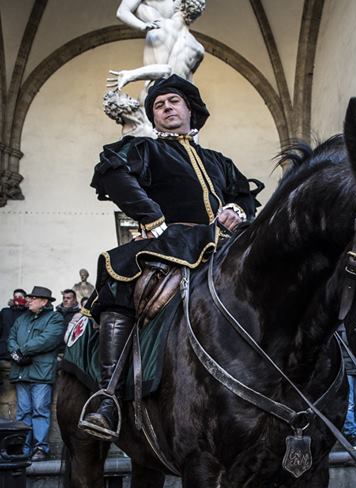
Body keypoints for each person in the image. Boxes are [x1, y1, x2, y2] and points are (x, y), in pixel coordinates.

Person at [79, 73, 260, 440]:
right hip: (170, 240)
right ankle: (108, 396)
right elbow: (114, 174)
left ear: (190, 109)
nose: (165, 108)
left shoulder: (219, 160)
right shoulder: (147, 150)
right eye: (158, 106)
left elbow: (245, 195)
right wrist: (150, 215)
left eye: (172, 102)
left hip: (225, 244)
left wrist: (238, 211)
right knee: (119, 274)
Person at [7, 286, 65, 460]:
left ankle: (40, 448)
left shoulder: (55, 318)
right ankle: (23, 449)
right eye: (29, 298)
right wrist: (15, 353)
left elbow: (48, 339)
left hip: (41, 373)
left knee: (40, 410)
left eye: (33, 298)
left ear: (44, 301)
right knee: (23, 412)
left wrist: (21, 351)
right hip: (21, 371)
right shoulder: (22, 318)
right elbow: (11, 337)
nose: (28, 300)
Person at [0, 289, 27, 360]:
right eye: (15, 296)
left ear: (25, 299)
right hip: (3, 352)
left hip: (19, 353)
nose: (17, 299)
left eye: (20, 297)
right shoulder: (5, 311)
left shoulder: (28, 314)